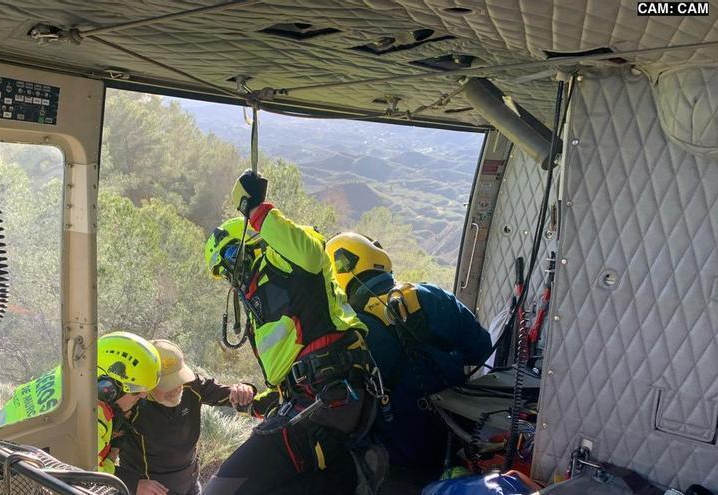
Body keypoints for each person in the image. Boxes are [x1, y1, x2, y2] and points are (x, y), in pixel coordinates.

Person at [201, 170, 380, 495]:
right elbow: (289, 379)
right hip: (317, 403)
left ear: (250, 243)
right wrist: (254, 404)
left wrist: (257, 212)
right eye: (221, 271)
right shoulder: (261, 313)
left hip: (328, 398)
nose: (229, 273)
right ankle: (350, 474)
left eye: (229, 257)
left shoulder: (283, 260)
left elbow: (310, 254)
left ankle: (354, 473)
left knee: (222, 490)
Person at [325, 232, 492, 487]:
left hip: (398, 467)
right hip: (462, 445)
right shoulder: (435, 296)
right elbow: (482, 349)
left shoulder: (351, 333)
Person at [0, 331, 161, 474]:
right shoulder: (93, 418)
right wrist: (112, 455)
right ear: (108, 389)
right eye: (137, 392)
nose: (142, 397)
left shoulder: (65, 378)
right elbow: (94, 478)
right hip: (7, 475)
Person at [114, 339, 256, 495]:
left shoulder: (193, 385)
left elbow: (234, 397)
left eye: (179, 379)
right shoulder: (128, 404)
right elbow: (96, 462)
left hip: (190, 487)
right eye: (167, 384)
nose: (176, 388)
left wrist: (243, 390)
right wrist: (132, 483)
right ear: (146, 383)